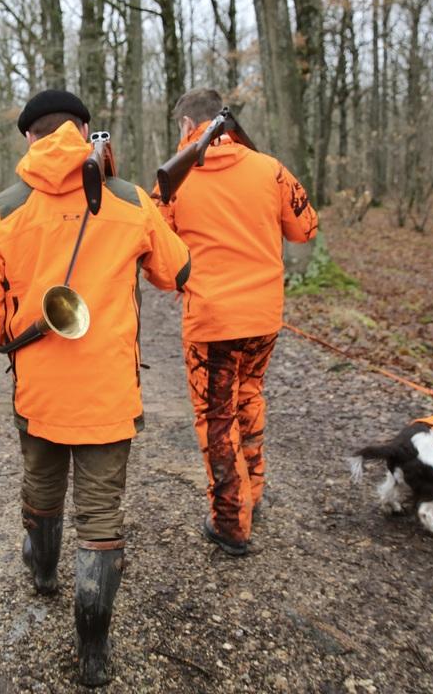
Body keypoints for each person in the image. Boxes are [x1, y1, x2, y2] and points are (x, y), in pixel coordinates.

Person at [0, 89, 190, 686]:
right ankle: (93, 651)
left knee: (40, 488)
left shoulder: (2, 210)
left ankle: (42, 575)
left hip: (38, 391)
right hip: (109, 394)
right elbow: (175, 272)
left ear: (28, 139)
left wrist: (16, 333)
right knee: (100, 518)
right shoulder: (132, 199)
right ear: (87, 131)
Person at [155, 87, 318, 557]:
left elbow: (162, 268)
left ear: (189, 128)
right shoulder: (270, 169)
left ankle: (231, 523)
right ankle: (254, 492)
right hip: (265, 317)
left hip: (212, 323)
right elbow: (306, 229)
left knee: (217, 414)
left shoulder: (173, 183)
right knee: (248, 396)